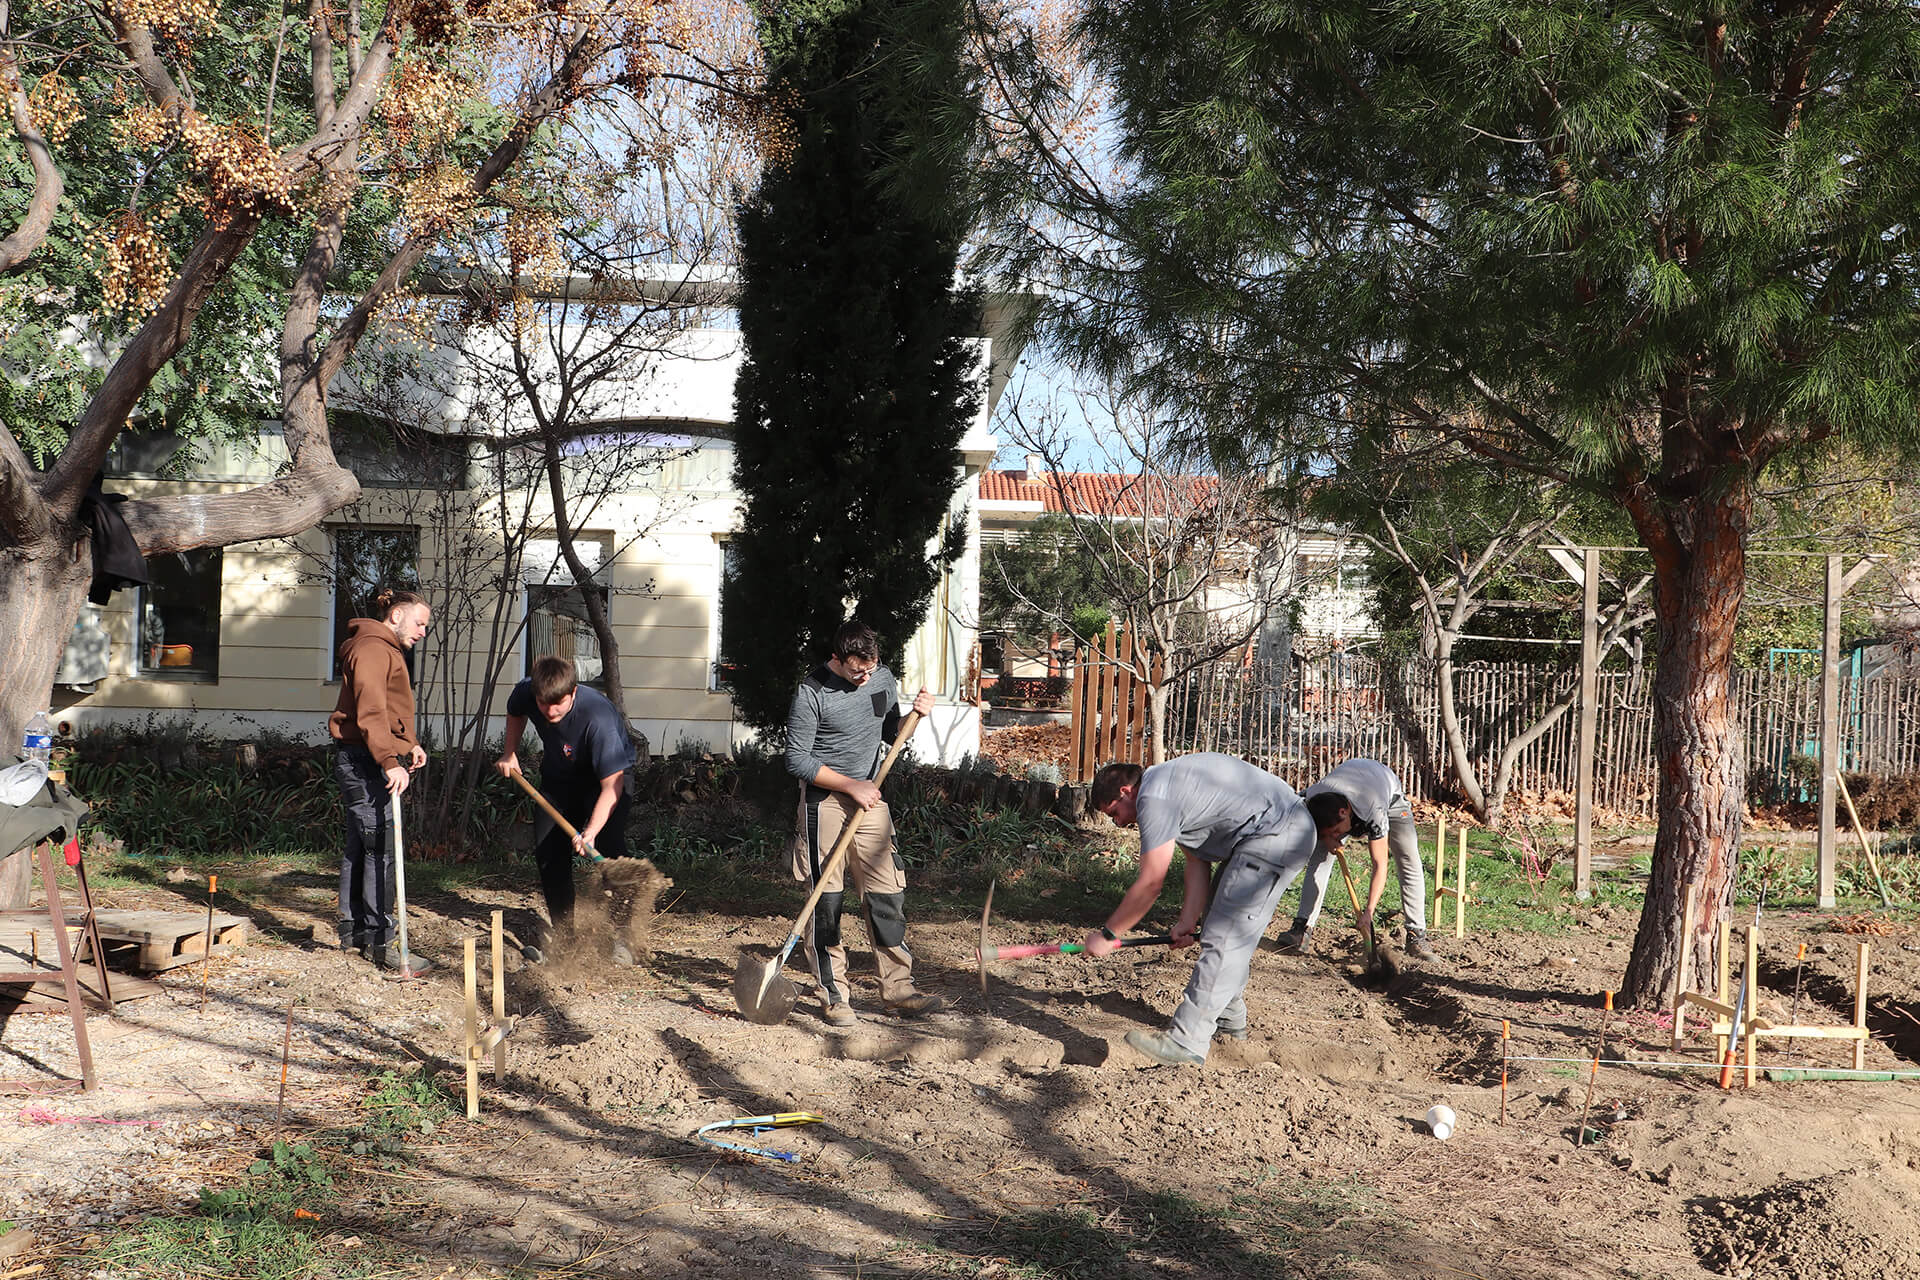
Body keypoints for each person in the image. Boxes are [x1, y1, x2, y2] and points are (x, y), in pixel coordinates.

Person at [1087, 752, 1320, 1066]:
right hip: (1269, 832)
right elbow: (1197, 860)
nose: (1119, 823)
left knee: (1225, 939)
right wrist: (1187, 921)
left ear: (1125, 792)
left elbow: (1150, 883)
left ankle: (1186, 1042)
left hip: (1277, 834)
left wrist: (1108, 933)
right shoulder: (1170, 787)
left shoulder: (1155, 797)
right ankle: (1228, 1022)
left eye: (1113, 812)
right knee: (1218, 931)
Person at [785, 620, 942, 1026]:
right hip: (826, 801)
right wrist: (851, 786)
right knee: (827, 899)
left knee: (886, 894)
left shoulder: (881, 678)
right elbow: (797, 759)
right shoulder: (811, 691)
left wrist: (916, 715)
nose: (864, 676)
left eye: (870, 668)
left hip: (869, 799)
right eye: (857, 670)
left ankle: (898, 988)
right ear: (837, 659)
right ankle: (833, 994)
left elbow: (891, 731)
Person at [495, 655, 637, 964]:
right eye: (543, 704)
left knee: (610, 852)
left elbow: (611, 787)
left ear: (573, 692)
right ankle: (565, 936)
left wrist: (590, 832)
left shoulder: (597, 719)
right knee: (549, 854)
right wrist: (510, 753)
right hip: (560, 779)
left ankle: (624, 937)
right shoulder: (528, 692)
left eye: (557, 703)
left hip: (607, 782)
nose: (549, 710)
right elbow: (515, 711)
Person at [328, 587, 433, 975]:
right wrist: (390, 760)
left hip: (367, 756)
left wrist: (409, 743)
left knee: (363, 845)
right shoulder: (373, 648)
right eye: (420, 623)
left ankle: (353, 930)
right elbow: (371, 709)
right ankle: (380, 942)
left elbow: (388, 711)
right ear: (396, 615)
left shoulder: (383, 647)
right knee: (380, 849)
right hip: (365, 761)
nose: (423, 632)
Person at [1278, 758, 1436, 962]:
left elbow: (1380, 864)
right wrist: (1327, 837)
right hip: (1347, 789)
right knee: (1320, 856)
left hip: (1388, 796)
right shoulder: (1312, 799)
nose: (1336, 835)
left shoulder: (1374, 809)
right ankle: (1302, 929)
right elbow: (1317, 824)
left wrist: (1368, 912)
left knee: (1408, 858)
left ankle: (1416, 935)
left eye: (1336, 831)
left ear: (1344, 813)